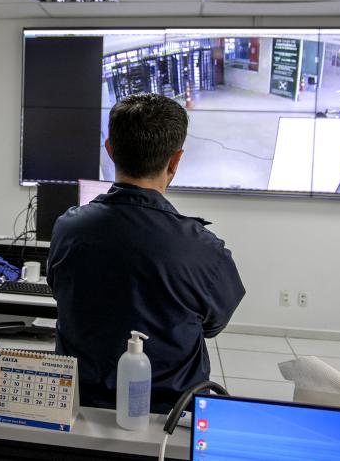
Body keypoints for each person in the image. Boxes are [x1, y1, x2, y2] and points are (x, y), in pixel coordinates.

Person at [47, 93, 245, 414]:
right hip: (168, 417)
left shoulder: (67, 229)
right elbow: (211, 326)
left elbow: (60, 292)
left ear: (109, 150)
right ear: (175, 161)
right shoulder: (206, 250)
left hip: (79, 409)